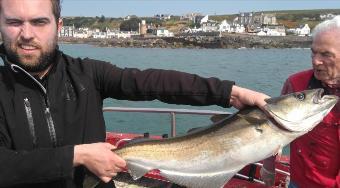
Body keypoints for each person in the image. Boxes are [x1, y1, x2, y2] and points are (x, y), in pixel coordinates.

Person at [0, 0, 269, 187]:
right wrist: (78, 156)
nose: (26, 34)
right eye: (14, 22)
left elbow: (151, 82)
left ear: (58, 26)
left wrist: (230, 94)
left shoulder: (87, 74)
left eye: (39, 22)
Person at [261, 16, 340, 188]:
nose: (315, 60)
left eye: (326, 54)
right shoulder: (295, 84)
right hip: (302, 181)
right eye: (313, 52)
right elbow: (273, 128)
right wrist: (268, 166)